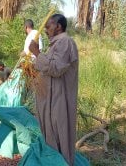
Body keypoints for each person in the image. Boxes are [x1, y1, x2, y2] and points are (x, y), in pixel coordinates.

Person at [28, 14, 78, 166]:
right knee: (51, 133)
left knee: (59, 132)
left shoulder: (65, 42)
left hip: (59, 99)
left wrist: (37, 53)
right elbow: (46, 66)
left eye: (48, 27)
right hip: (50, 99)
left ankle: (61, 162)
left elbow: (55, 68)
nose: (46, 30)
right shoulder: (55, 44)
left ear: (58, 26)